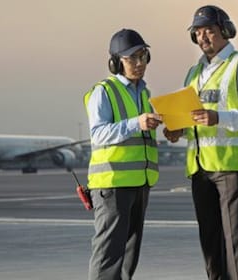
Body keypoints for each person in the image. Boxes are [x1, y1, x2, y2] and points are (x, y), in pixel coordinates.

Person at [163, 5, 238, 280]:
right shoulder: (194, 73)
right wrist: (178, 130)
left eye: (209, 30)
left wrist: (218, 117)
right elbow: (193, 117)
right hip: (200, 168)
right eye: (197, 32)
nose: (203, 37)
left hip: (231, 166)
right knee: (209, 239)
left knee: (236, 241)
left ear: (225, 30)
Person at [84, 28, 161, 280]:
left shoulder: (144, 94)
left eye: (143, 56)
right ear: (116, 62)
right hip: (113, 184)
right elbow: (98, 134)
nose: (139, 63)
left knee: (129, 257)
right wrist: (137, 123)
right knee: (108, 256)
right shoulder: (104, 91)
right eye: (132, 58)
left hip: (139, 183)